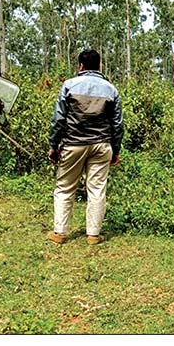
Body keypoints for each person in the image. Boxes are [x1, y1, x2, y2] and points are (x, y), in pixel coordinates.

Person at [47, 49, 123, 245]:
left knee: (64, 188)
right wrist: (116, 150)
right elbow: (117, 124)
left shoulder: (69, 85)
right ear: (99, 66)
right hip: (101, 145)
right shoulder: (111, 89)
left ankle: (59, 233)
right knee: (97, 190)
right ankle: (93, 235)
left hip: (73, 144)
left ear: (81, 66)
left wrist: (53, 146)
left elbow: (59, 119)